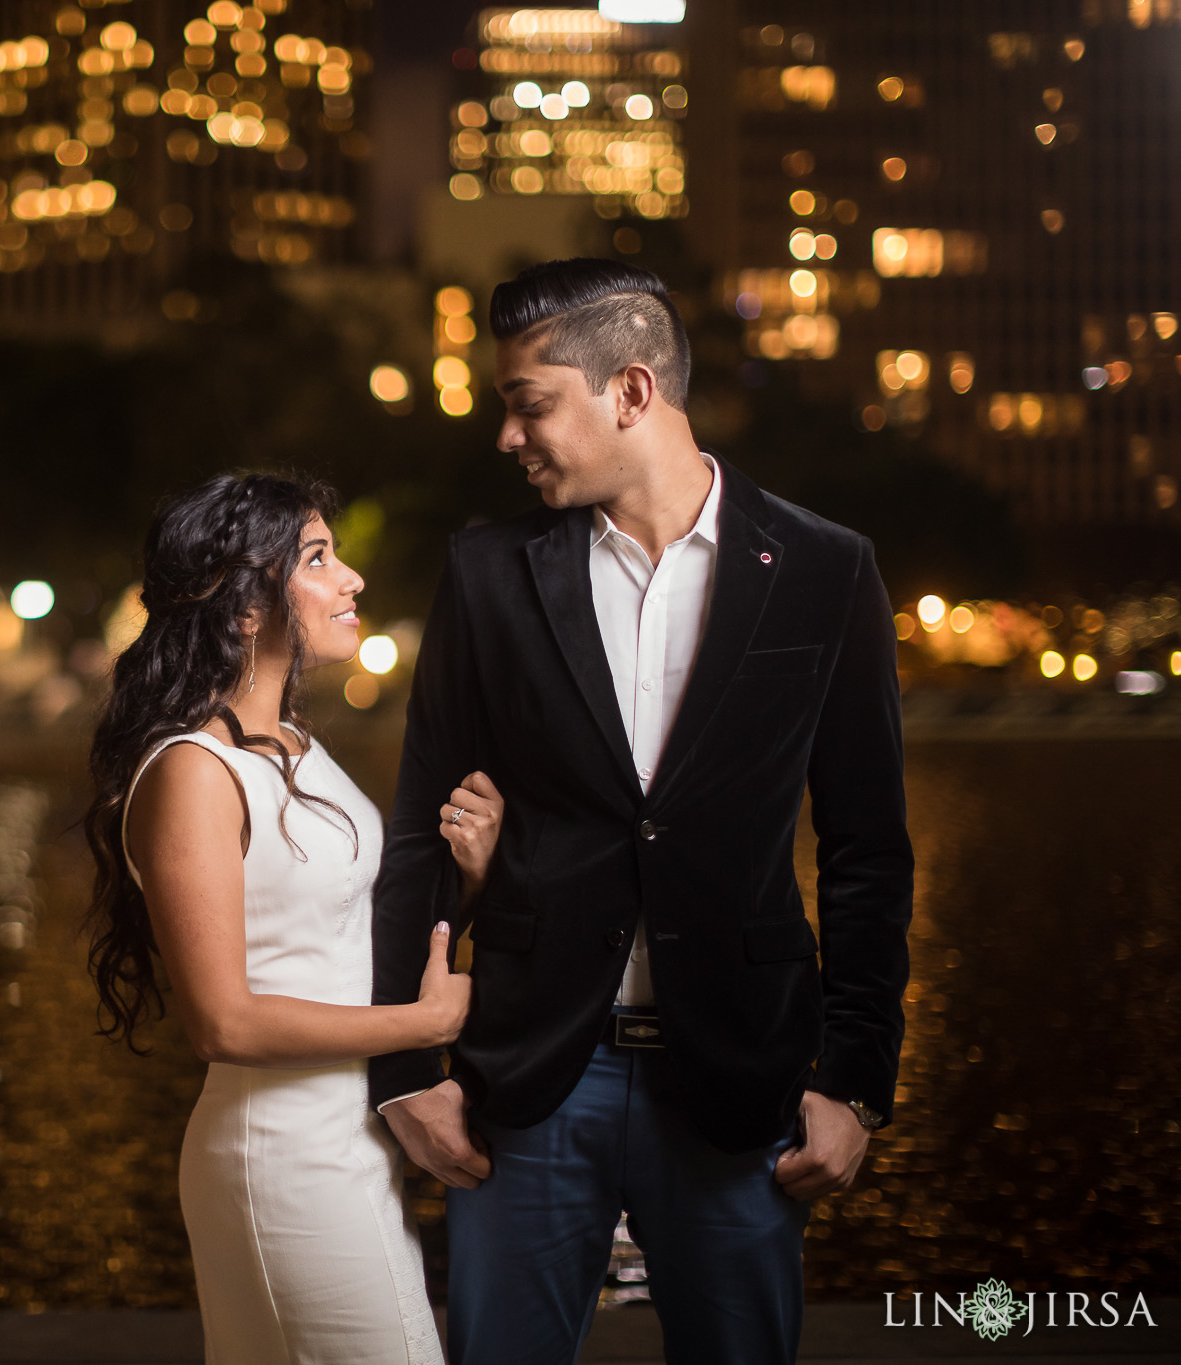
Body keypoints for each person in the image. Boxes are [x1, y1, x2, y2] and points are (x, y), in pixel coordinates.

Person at [370, 259, 914, 1364]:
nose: (506, 439)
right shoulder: (485, 571)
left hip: (738, 1073)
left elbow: (864, 845)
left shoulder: (821, 568)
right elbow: (421, 825)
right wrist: (404, 1071)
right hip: (526, 1077)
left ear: (628, 391)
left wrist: (853, 1078)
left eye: (528, 407)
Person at [84, 473, 501, 1365]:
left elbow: (333, 932)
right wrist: (424, 1024)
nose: (350, 579)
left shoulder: (295, 745)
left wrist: (466, 883)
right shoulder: (194, 772)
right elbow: (221, 1020)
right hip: (281, 1154)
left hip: (349, 1138)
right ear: (242, 607)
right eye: (317, 558)